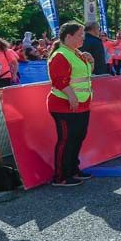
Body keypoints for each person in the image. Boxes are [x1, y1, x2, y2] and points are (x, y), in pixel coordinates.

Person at [48, 22, 95, 187]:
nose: (83, 38)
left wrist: (91, 61)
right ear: (68, 36)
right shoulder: (60, 54)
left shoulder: (76, 53)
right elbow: (59, 80)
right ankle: (60, 176)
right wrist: (72, 97)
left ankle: (73, 170)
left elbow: (85, 75)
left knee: (78, 137)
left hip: (81, 103)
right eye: (80, 35)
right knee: (66, 140)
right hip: (64, 104)